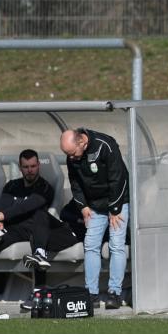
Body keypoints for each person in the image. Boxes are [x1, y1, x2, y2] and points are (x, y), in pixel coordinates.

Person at [0, 150, 80, 308]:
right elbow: (3, 206)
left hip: (44, 228)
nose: (30, 170)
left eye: (33, 166)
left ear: (38, 166)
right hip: (18, 229)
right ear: (20, 167)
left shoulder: (44, 188)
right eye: (26, 167)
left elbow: (26, 206)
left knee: (38, 216)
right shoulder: (12, 185)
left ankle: (38, 291)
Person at [59, 128, 130, 310]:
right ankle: (91, 294)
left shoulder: (105, 145)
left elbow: (118, 178)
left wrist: (115, 209)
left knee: (116, 245)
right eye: (68, 154)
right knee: (90, 245)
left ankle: (114, 292)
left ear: (82, 142)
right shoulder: (72, 156)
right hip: (95, 205)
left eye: (72, 153)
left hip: (118, 201)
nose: (71, 158)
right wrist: (83, 206)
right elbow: (75, 182)